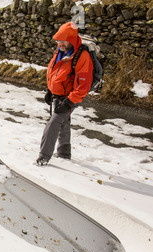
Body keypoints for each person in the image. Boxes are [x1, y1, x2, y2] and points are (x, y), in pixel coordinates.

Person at [36, 22, 94, 166]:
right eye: (58, 40)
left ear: (72, 40)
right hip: (58, 94)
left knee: (54, 122)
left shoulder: (82, 57)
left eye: (63, 40)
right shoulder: (59, 51)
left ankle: (43, 157)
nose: (59, 43)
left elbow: (83, 86)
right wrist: (50, 90)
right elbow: (54, 72)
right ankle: (64, 152)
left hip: (71, 96)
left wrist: (69, 102)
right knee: (63, 122)